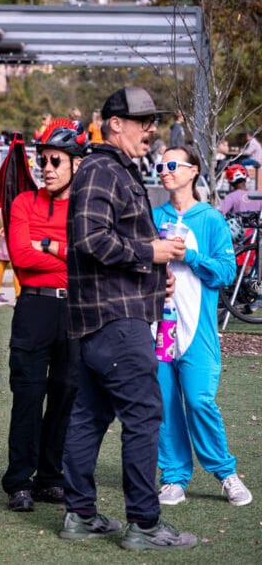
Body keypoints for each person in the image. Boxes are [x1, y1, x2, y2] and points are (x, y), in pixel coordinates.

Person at [62, 86, 197, 551]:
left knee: (91, 415)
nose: (151, 129)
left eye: (153, 121)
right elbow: (90, 239)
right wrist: (150, 253)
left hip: (105, 319)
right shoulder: (103, 169)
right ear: (115, 123)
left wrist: (154, 275)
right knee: (143, 415)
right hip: (117, 322)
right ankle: (143, 523)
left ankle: (80, 514)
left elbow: (105, 244)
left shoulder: (108, 168)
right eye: (143, 121)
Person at [152, 146, 251, 507]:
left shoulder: (210, 219)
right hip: (160, 329)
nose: (164, 171)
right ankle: (173, 477)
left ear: (193, 170)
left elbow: (225, 272)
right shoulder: (153, 216)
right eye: (160, 166)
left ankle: (226, 473)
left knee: (198, 400)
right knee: (164, 404)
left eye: (172, 165)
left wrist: (189, 256)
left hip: (198, 332)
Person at [2, 121, 86, 512]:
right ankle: (19, 481)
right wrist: (67, 256)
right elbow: (21, 255)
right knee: (28, 396)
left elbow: (90, 261)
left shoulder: (86, 207)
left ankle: (50, 478)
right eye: (43, 161)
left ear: (76, 165)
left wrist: (48, 245)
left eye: (56, 161)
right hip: (34, 308)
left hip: (75, 310)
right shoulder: (23, 203)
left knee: (67, 395)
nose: (47, 168)